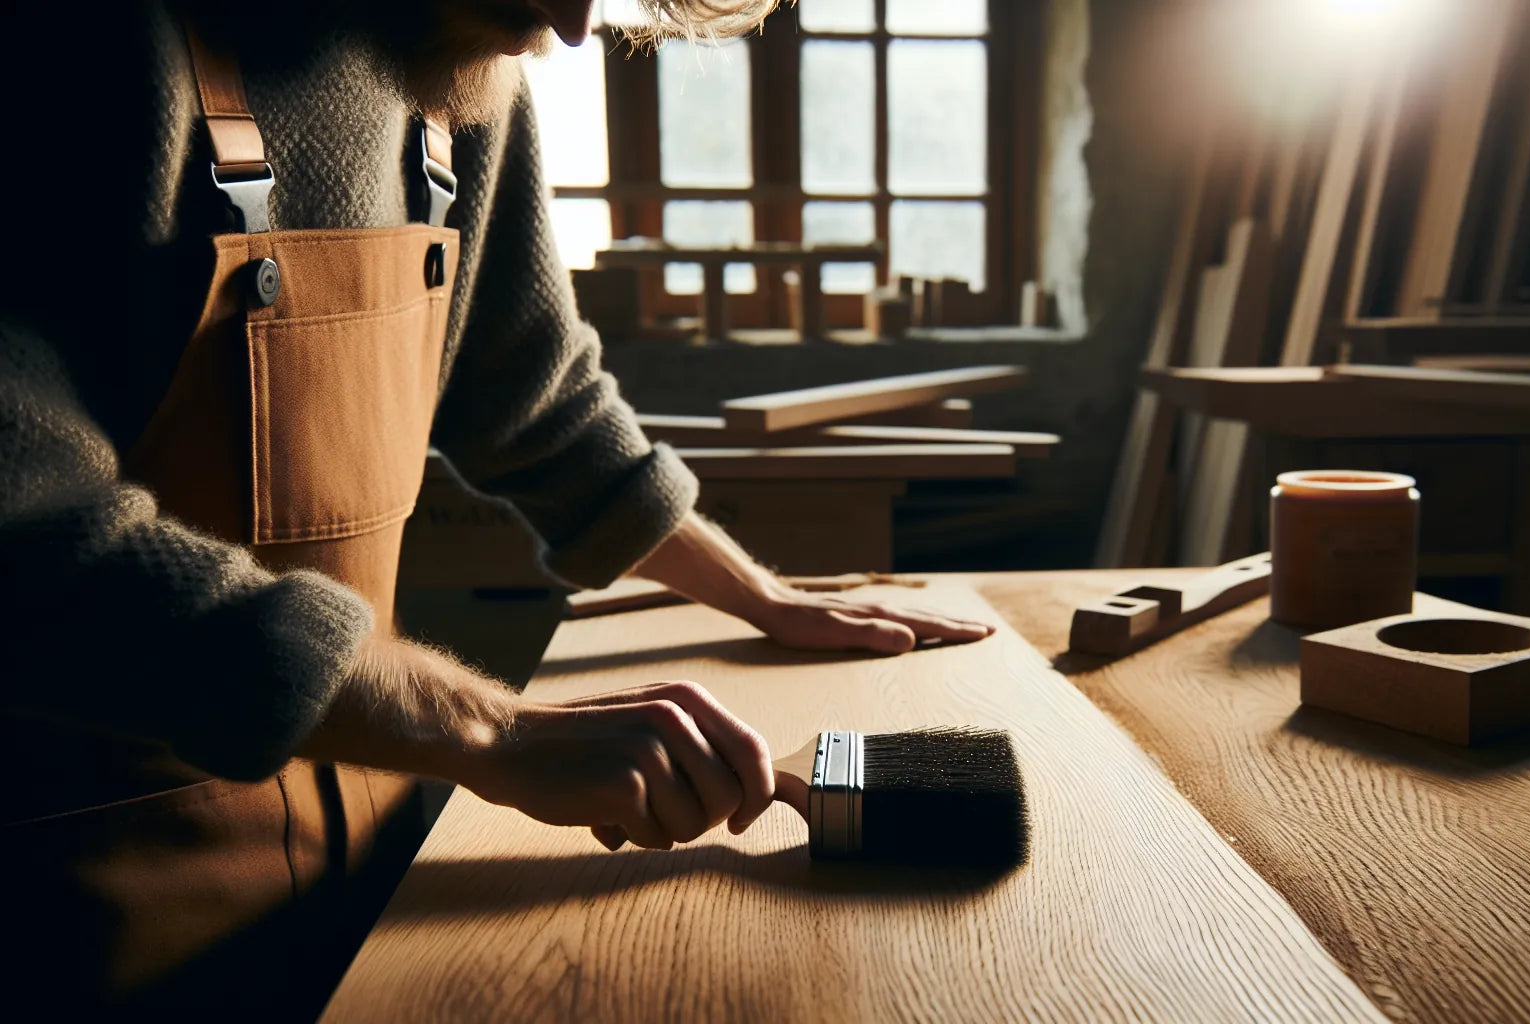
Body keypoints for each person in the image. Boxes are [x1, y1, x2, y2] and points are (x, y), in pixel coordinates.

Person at [0, 0, 992, 1014]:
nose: (566, 24)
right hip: (88, 895)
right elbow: (30, 534)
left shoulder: (462, 69)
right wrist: (488, 732)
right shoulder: (84, 43)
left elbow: (539, 401)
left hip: (372, 844)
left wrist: (766, 597)